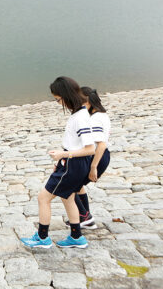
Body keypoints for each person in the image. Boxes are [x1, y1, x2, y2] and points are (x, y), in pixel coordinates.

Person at [21, 77, 95, 249]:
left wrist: (64, 154)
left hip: (73, 165)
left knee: (43, 198)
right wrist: (63, 157)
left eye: (58, 99)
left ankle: (42, 237)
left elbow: (90, 148)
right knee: (68, 197)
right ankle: (76, 237)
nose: (58, 103)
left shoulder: (80, 118)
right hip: (72, 163)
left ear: (66, 96)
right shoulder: (80, 113)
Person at [70, 86, 111, 229]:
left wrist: (93, 167)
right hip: (99, 156)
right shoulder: (101, 115)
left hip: (97, 157)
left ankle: (84, 216)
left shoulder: (95, 119)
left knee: (68, 185)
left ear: (87, 102)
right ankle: (85, 218)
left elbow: (101, 145)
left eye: (80, 102)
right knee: (76, 185)